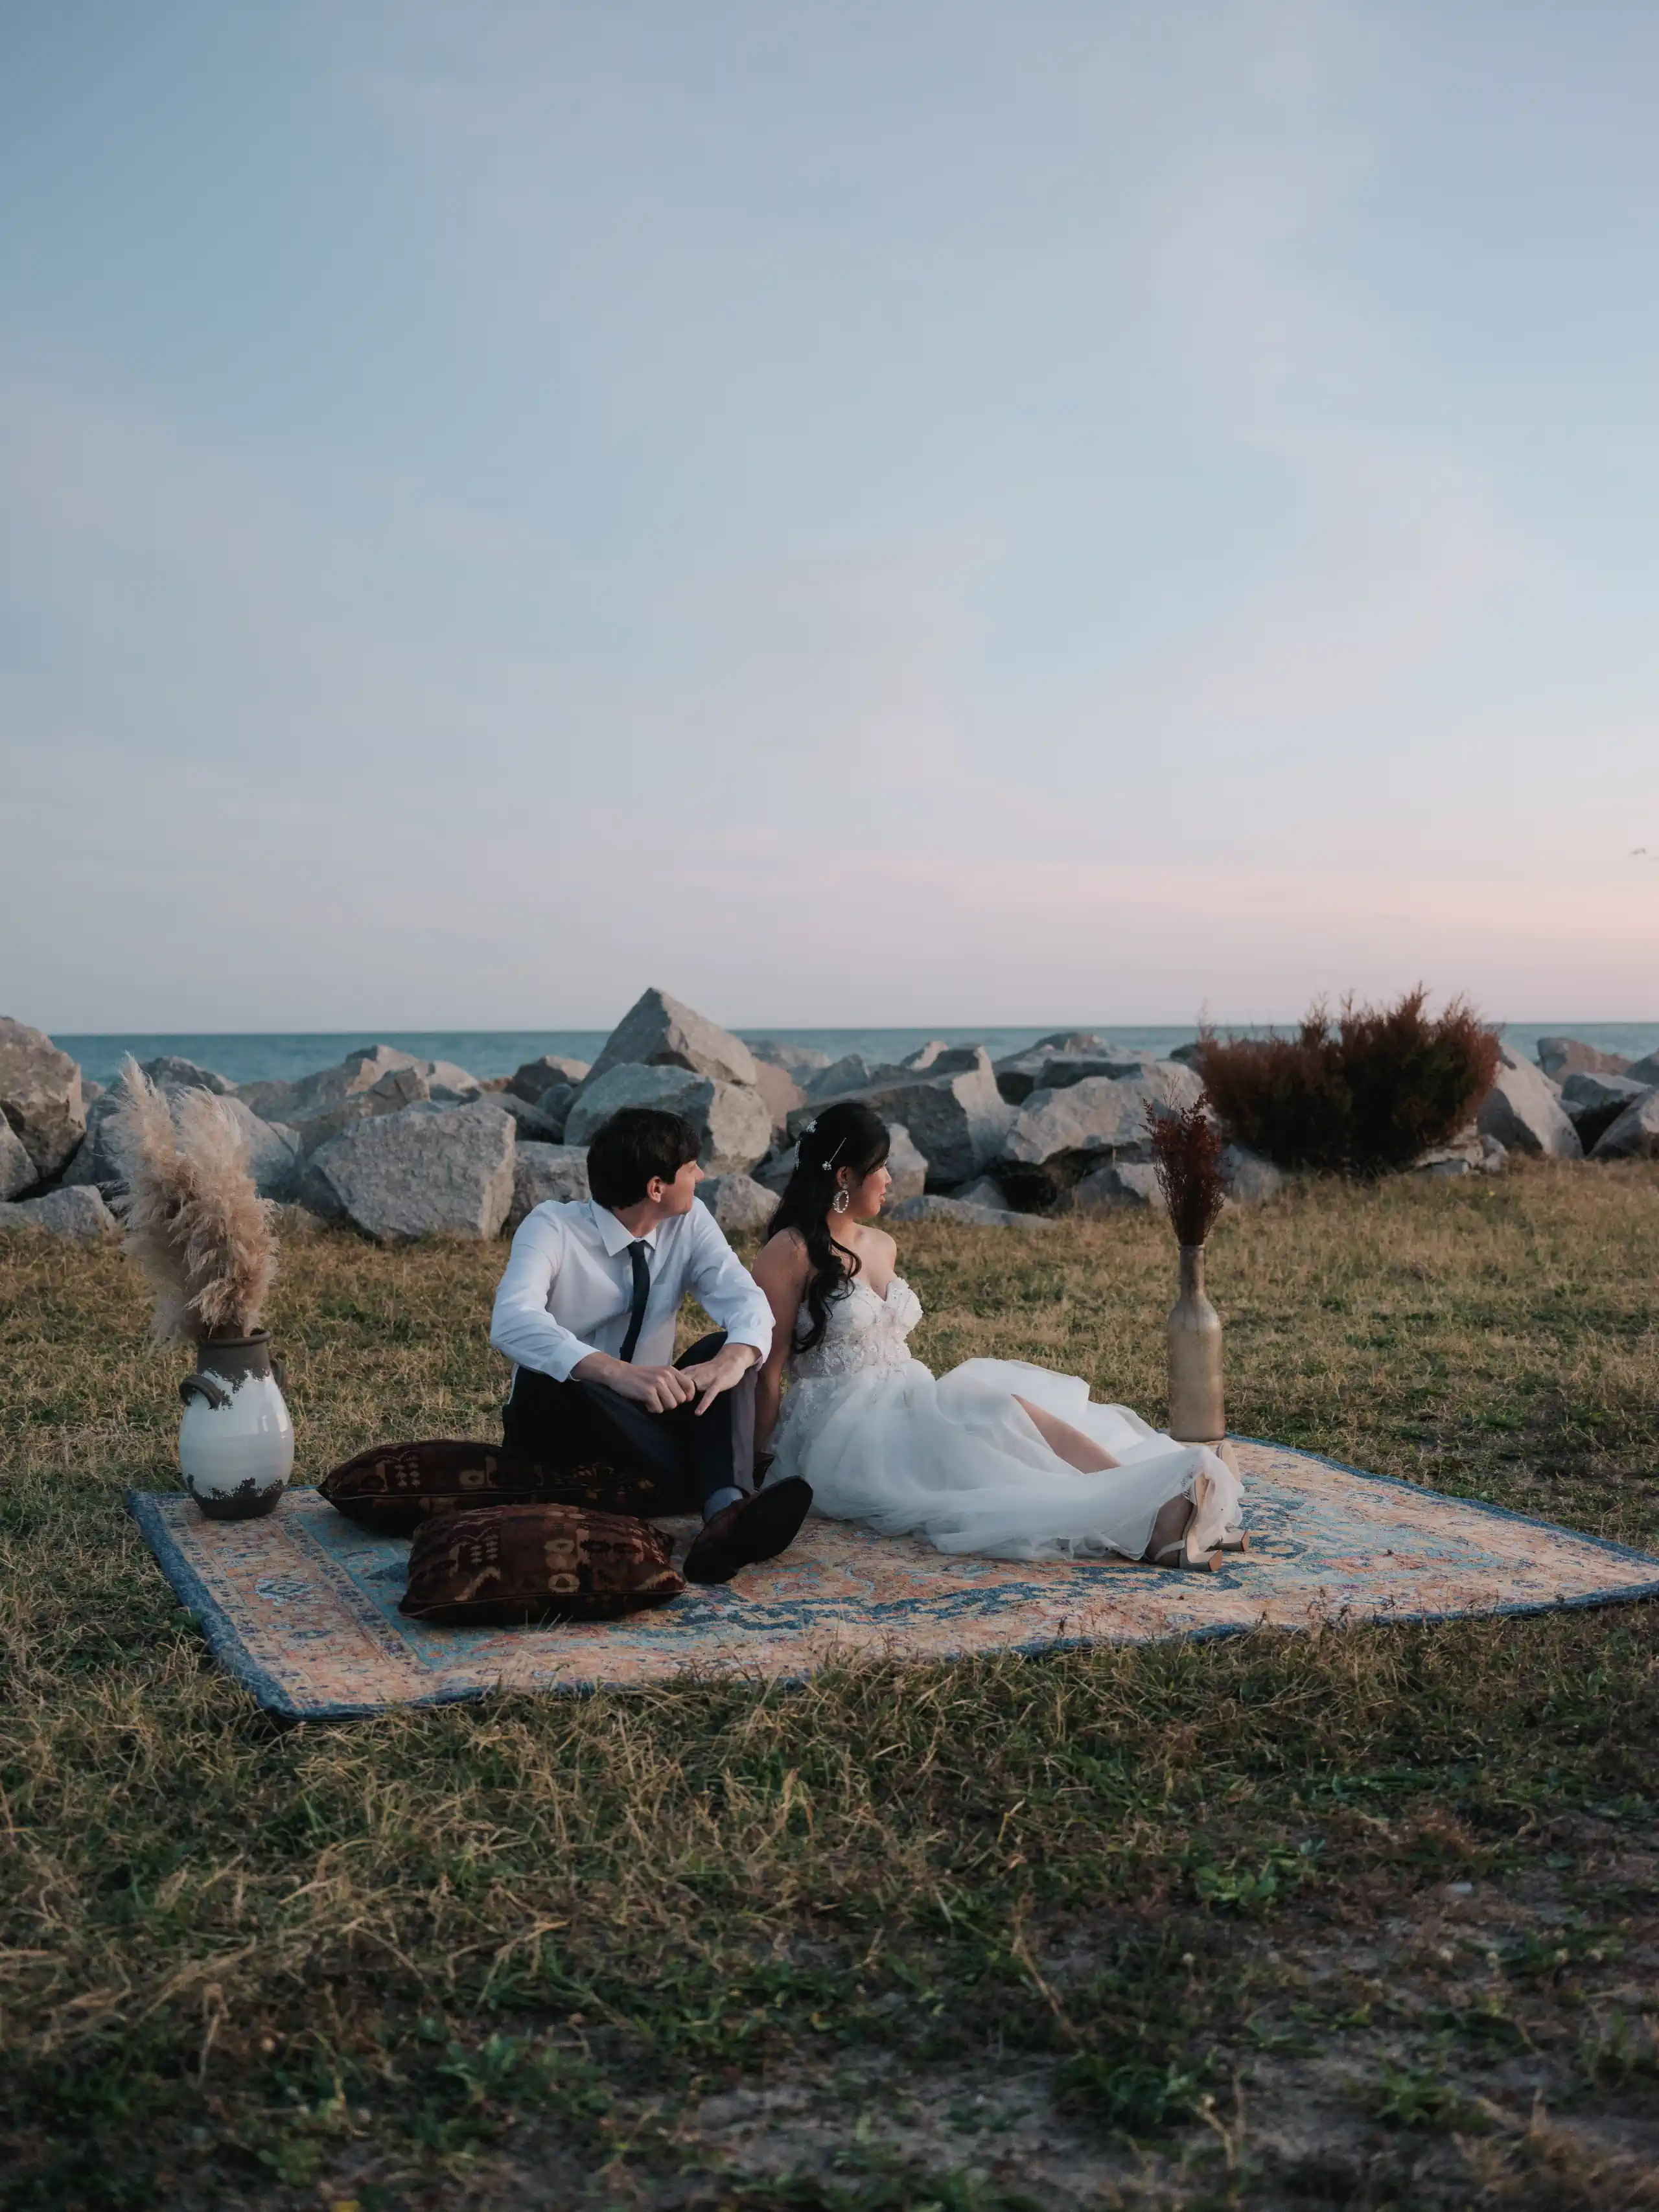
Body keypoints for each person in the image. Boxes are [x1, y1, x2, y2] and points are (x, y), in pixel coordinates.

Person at [751, 1101, 1246, 1567]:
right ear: (844, 1177)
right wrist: (755, 1463)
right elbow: (767, 1372)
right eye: (880, 1167)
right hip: (846, 1428)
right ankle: (1156, 1525)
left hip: (912, 1392)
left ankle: (1153, 1496)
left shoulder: (883, 1245)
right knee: (985, 1446)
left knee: (1010, 1411)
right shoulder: (788, 1253)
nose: (890, 1179)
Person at [491, 1106, 813, 1584]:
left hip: (646, 1418)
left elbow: (746, 1301)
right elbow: (512, 1321)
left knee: (724, 1347)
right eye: (691, 1168)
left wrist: (734, 1359)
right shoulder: (552, 1226)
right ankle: (712, 1481)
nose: (701, 1177)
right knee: (554, 1371)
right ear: (656, 1187)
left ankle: (725, 1518)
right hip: (563, 1415)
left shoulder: (689, 1220)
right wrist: (616, 1373)